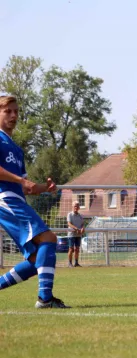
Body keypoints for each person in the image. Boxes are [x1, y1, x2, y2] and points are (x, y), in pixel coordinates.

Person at [0, 96, 69, 308]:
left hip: (16, 200)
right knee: (49, 238)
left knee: (36, 259)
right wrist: (21, 180)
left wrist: (43, 188)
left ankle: (44, 298)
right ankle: (45, 299)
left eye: (16, 112)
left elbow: (23, 186)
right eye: (8, 111)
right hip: (5, 201)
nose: (13, 116)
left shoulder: (16, 149)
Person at [67, 200, 85, 267]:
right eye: (75, 206)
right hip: (71, 234)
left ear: (79, 207)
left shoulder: (81, 216)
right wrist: (76, 228)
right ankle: (69, 263)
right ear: (73, 207)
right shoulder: (69, 214)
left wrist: (83, 227)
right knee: (71, 249)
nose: (76, 207)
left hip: (78, 235)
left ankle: (76, 263)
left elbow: (83, 224)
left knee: (77, 249)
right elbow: (69, 223)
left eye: (77, 206)